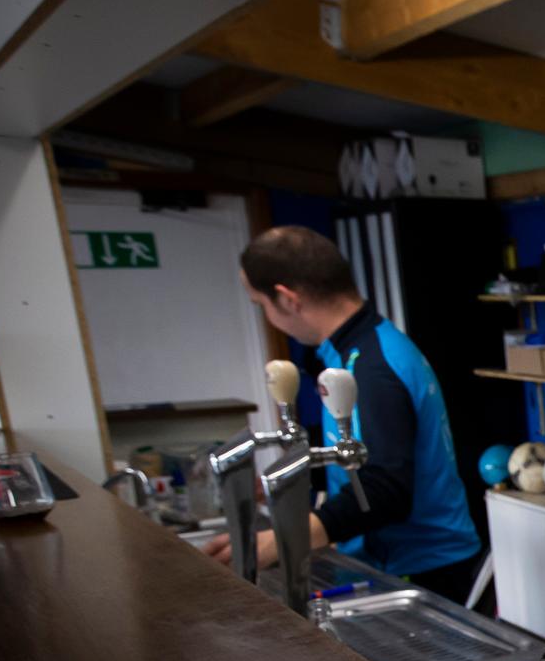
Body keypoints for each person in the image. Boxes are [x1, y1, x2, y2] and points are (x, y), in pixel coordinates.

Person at [203, 226, 481, 602]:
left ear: (287, 299)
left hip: (420, 568)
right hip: (395, 560)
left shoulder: (371, 366)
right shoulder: (353, 348)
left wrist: (283, 539)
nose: (266, 316)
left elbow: (386, 489)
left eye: (261, 305)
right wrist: (293, 490)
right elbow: (361, 458)